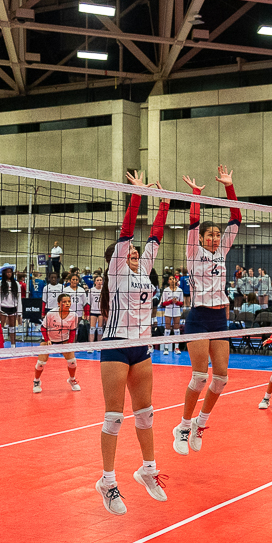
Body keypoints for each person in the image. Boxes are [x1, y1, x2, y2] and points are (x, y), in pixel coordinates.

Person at [97, 172, 170, 515]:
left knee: (146, 414)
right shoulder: (117, 270)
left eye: (139, 251)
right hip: (115, 345)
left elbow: (156, 235)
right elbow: (127, 231)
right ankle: (108, 482)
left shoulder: (144, 270)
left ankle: (148, 471)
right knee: (114, 417)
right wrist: (136, 195)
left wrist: (166, 202)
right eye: (131, 250)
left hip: (142, 347)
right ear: (117, 257)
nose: (136, 251)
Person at [173, 165, 241, 456]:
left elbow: (236, 218)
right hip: (199, 317)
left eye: (217, 234)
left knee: (222, 378)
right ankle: (183, 426)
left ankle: (201, 423)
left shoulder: (223, 251)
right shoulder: (193, 252)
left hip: (219, 317)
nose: (214, 238)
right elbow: (193, 221)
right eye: (209, 235)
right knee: (200, 377)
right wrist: (196, 196)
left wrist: (229, 186)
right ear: (201, 238)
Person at [35, 294, 82, 394]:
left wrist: (69, 343)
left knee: (72, 361)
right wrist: (47, 339)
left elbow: (73, 330)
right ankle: (36, 381)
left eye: (69, 301)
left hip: (63, 340)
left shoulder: (74, 315)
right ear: (59, 304)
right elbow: (43, 328)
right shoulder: (51, 313)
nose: (67, 304)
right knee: (41, 363)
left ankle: (72, 379)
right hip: (49, 339)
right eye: (64, 302)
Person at [0, 264, 24, 347]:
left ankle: (13, 345)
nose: (9, 274)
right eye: (7, 272)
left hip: (13, 308)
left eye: (10, 272)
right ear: (4, 273)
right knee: (0, 328)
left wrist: (19, 312)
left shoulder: (16, 284)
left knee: (12, 328)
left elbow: (19, 298)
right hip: (3, 308)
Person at [87, 274, 104, 342]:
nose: (99, 281)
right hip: (93, 311)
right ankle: (91, 345)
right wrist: (88, 314)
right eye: (97, 280)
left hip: (101, 312)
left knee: (100, 329)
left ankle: (99, 345)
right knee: (92, 329)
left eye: (100, 280)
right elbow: (89, 302)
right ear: (95, 282)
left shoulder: (104, 290)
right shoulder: (91, 290)